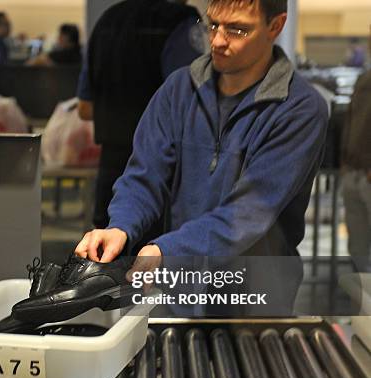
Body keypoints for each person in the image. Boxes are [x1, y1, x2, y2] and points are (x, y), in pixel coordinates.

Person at [75, 0, 328, 292]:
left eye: (237, 30)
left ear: (276, 26)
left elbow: (249, 212)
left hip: (253, 293)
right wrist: (120, 226)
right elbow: (145, 175)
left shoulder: (299, 109)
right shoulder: (178, 90)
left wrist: (168, 251)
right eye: (213, 25)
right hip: (177, 289)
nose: (218, 41)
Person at [76, 0, 204, 237]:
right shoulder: (180, 22)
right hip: (164, 171)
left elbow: (85, 107)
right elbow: (189, 101)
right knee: (159, 264)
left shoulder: (107, 21)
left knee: (109, 260)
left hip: (111, 170)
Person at [341, 28, 371, 272]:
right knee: (358, 251)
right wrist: (345, 164)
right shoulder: (364, 80)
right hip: (354, 173)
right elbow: (351, 122)